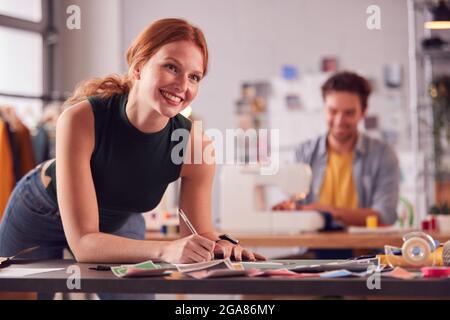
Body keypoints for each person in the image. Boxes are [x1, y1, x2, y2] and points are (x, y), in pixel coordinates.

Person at [0, 18, 264, 298]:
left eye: (194, 77)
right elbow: (85, 244)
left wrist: (224, 246)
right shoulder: (81, 119)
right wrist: (164, 249)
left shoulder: (196, 145)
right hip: (41, 212)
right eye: (171, 67)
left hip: (117, 223)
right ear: (139, 66)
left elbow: (197, 234)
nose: (181, 85)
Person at [273, 71, 400, 228]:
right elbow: (293, 208)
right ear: (324, 109)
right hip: (311, 249)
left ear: (364, 112)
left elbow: (385, 215)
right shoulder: (303, 152)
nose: (339, 120)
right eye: (332, 111)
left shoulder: (382, 155)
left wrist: (330, 212)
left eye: (349, 113)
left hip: (365, 250)